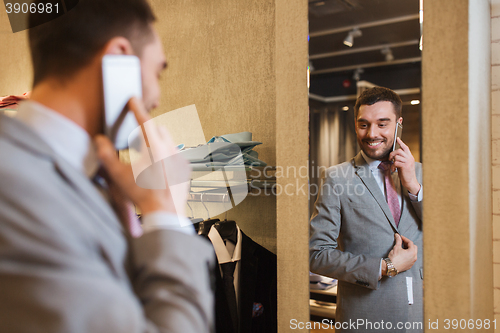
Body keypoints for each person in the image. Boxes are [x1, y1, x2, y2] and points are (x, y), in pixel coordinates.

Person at [0, 1, 215, 332]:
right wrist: (165, 212)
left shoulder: (74, 175)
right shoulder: (17, 189)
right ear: (118, 59)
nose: (156, 97)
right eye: (159, 72)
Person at [309, 87, 423, 333]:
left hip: (421, 317)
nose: (372, 134)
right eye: (364, 125)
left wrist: (413, 185)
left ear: (398, 124)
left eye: (382, 124)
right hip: (363, 320)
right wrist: (385, 267)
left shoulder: (421, 174)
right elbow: (316, 254)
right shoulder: (335, 178)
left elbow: (448, 236)